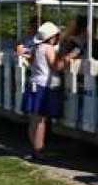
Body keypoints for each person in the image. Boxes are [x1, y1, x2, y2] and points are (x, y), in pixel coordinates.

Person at [21, 22, 76, 160]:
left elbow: (32, 61)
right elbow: (56, 66)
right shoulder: (48, 48)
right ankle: (39, 151)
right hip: (44, 86)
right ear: (52, 37)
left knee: (34, 120)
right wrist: (69, 57)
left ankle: (35, 149)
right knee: (41, 121)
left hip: (35, 84)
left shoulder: (36, 47)